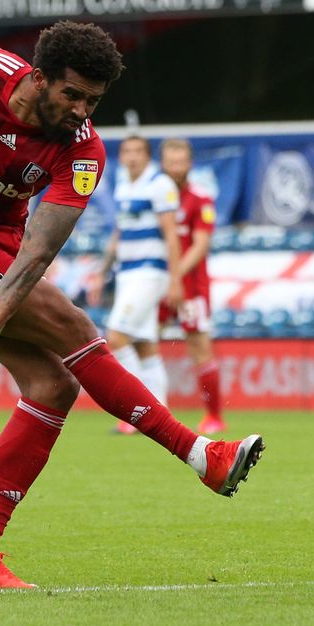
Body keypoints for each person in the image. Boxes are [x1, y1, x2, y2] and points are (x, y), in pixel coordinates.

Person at [0, 21, 264, 589]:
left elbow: (38, 251)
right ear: (38, 78)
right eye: (73, 95)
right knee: (74, 325)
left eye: (94, 99)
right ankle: (199, 455)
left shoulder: (84, 151)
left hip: (1, 252)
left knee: (52, 386)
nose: (82, 109)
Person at [92, 135, 182, 434]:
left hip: (150, 272)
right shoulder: (123, 182)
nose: (131, 157)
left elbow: (171, 234)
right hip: (127, 272)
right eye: (127, 151)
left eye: (137, 152)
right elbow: (120, 230)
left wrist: (176, 278)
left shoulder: (159, 184)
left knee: (116, 337)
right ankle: (161, 414)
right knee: (145, 347)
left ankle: (134, 413)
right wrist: (102, 270)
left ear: (147, 155)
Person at [157, 138, 224, 435]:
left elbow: (201, 246)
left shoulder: (200, 198)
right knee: (139, 343)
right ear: (162, 164)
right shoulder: (153, 197)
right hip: (155, 283)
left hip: (191, 287)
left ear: (190, 164)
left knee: (200, 348)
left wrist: (176, 275)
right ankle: (140, 413)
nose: (176, 168)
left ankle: (213, 415)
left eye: (181, 161)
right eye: (171, 162)